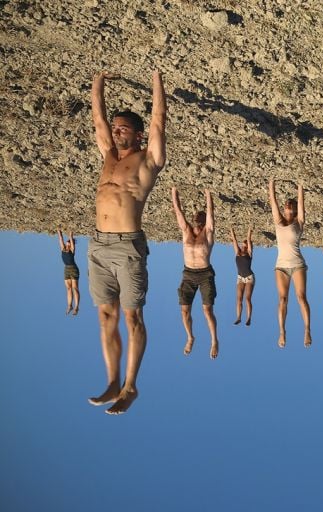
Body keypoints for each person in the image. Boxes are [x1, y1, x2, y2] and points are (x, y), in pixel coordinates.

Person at [86, 70, 165, 414]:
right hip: (98, 246)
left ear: (138, 134)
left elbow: (160, 120)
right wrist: (99, 81)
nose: (116, 131)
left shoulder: (149, 159)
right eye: (116, 127)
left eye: (124, 128)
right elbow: (97, 118)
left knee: (132, 318)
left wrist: (156, 79)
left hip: (128, 246)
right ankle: (113, 381)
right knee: (106, 316)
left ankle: (131, 386)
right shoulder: (107, 154)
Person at [172, 187, 219, 359]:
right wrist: (174, 194)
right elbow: (178, 214)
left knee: (207, 310)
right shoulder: (186, 232)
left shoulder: (208, 232)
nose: (196, 218)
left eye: (201, 216)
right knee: (184, 311)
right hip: (189, 274)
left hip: (205, 274)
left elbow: (211, 215)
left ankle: (214, 340)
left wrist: (208, 196)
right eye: (195, 217)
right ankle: (190, 337)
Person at [269, 178, 311, 348]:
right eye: (286, 204)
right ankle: (282, 331)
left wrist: (300, 187)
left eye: (289, 204)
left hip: (298, 264)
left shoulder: (299, 222)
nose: (286, 205)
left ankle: (307, 329)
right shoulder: (278, 221)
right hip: (281, 266)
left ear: (293, 210)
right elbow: (273, 202)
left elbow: (301, 204)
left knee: (301, 297)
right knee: (282, 299)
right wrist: (271, 185)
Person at [231, 227, 254, 326]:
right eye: (242, 244)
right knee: (239, 299)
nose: (242, 245)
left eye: (245, 245)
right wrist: (232, 230)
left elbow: (248, 239)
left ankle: (249, 318)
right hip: (240, 278)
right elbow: (234, 241)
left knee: (247, 298)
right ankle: (239, 318)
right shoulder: (237, 253)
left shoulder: (249, 253)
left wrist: (249, 230)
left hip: (249, 277)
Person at [58, 228, 80, 316]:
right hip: (66, 269)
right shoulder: (63, 248)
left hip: (73, 268)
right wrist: (59, 231)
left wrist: (71, 236)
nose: (67, 242)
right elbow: (60, 239)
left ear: (71, 244)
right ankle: (70, 305)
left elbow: (71, 238)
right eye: (67, 241)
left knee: (74, 288)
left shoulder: (72, 250)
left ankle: (76, 306)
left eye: (69, 242)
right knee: (68, 289)